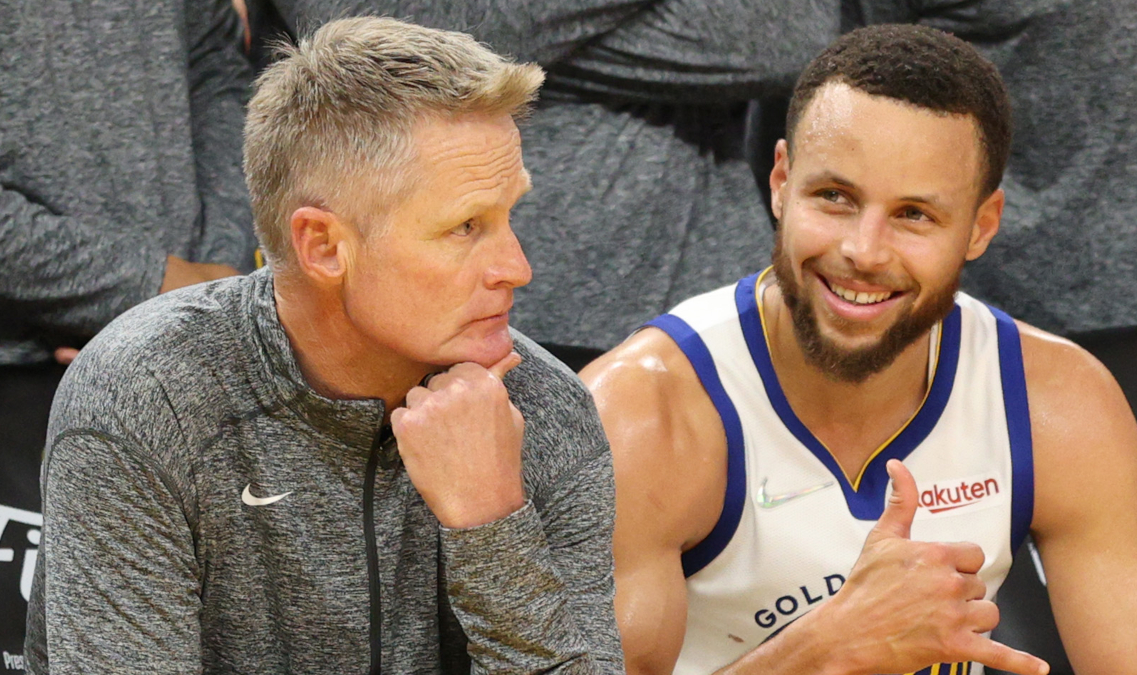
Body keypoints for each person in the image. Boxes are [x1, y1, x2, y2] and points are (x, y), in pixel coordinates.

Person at [582, 24, 1137, 675]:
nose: (865, 251)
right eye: (835, 197)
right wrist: (822, 651)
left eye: (914, 214)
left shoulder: (1055, 402)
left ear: (981, 226)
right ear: (781, 181)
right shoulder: (639, 416)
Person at [26, 17, 623, 674]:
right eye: (465, 227)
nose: (517, 266)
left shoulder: (546, 408)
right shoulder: (150, 396)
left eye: (510, 215)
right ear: (323, 246)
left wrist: (491, 521)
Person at [259, 0, 843, 370]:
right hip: (466, 309)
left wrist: (530, 48)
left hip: (705, 285)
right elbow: (367, 35)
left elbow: (784, 35)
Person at [0, 0, 256, 663]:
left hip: (190, 365)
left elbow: (216, 63)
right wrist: (149, 285)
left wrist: (207, 283)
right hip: (20, 378)